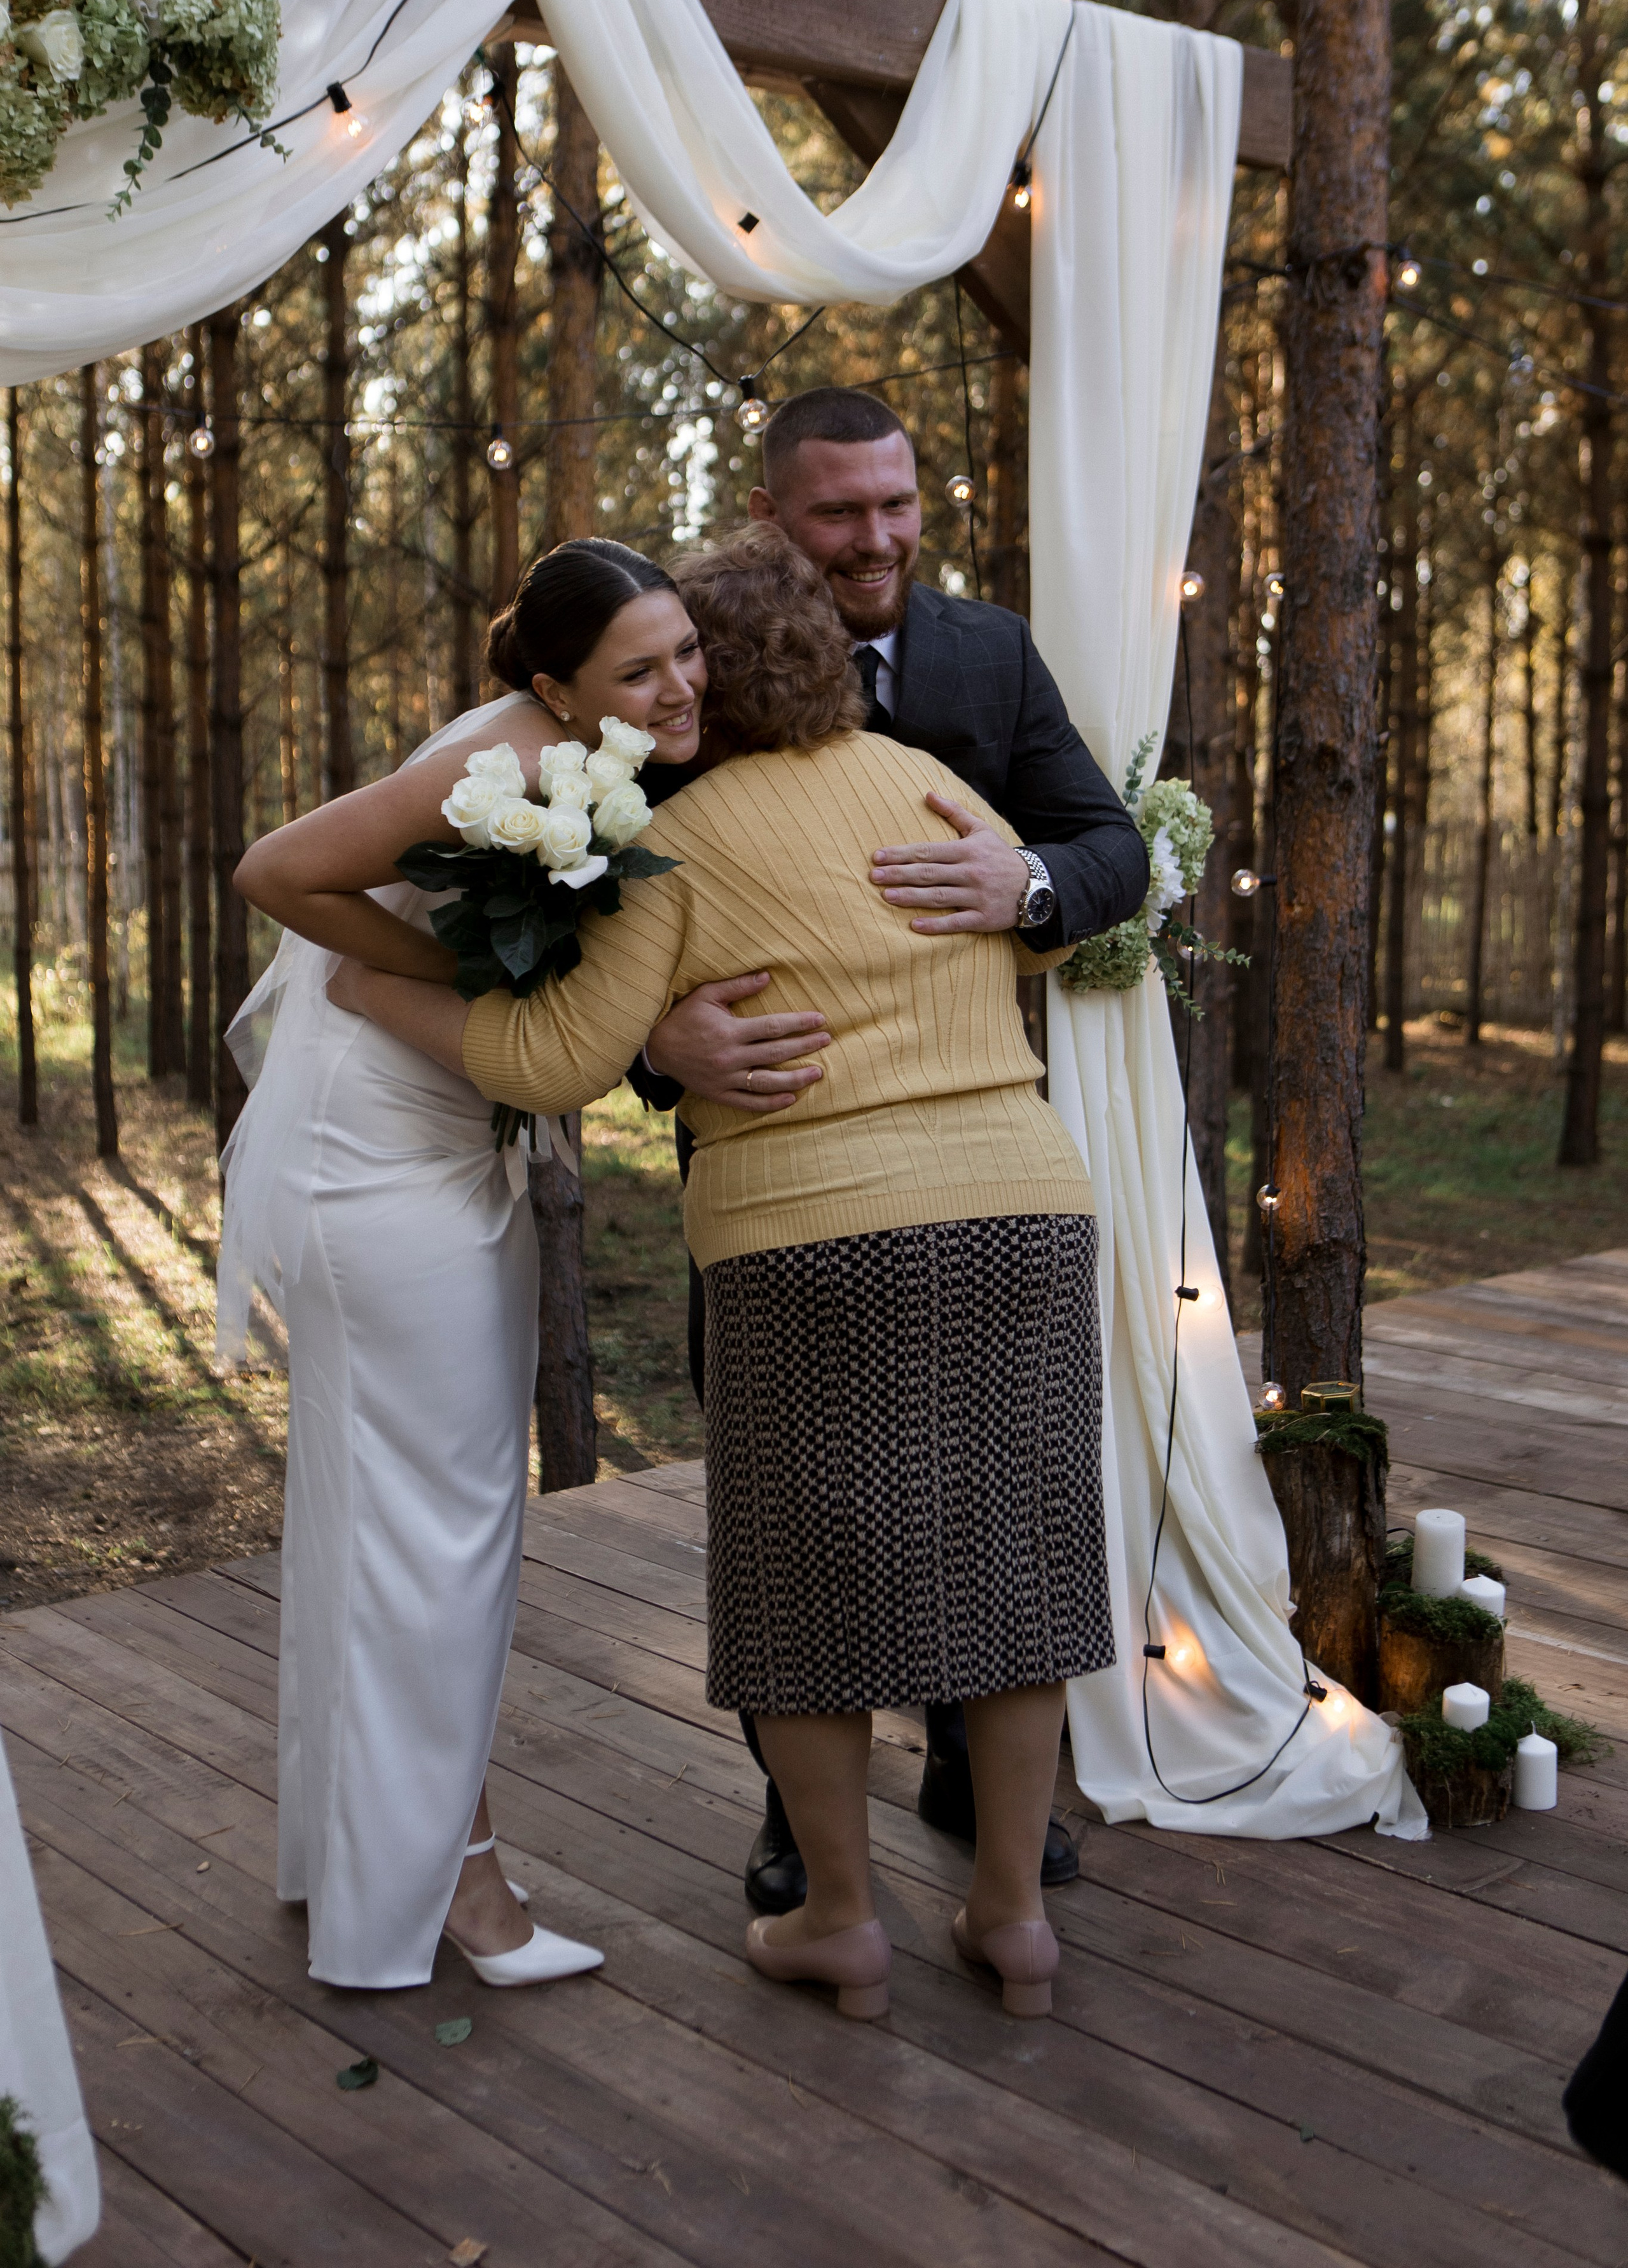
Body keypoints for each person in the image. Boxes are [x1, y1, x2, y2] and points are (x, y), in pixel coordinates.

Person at [328, 524, 1116, 2024]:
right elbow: (1007, 953)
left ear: (712, 683)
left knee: (800, 1592)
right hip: (1021, 1211)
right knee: (1022, 1571)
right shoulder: (940, 796)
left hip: (809, 1243)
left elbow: (557, 1052)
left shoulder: (668, 854)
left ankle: (840, 1921)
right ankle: (1012, 1920)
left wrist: (379, 987)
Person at [633, 388, 1148, 1913]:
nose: (879, 538)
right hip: (775, 1156)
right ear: (772, 516)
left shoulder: (988, 653)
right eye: (842, 513)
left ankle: (972, 1784)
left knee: (994, 1487)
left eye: (898, 504)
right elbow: (618, 905)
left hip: (965, 1139)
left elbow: (1110, 846)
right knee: (799, 1510)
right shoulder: (685, 671)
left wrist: (1028, 883)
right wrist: (662, 1051)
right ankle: (802, 1820)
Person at [223, 540, 707, 1990]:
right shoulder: (501, 757)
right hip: (374, 1168)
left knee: (388, 1526)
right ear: (555, 686)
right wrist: (463, 975)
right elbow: (273, 871)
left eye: (686, 648)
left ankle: (358, 1863)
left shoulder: (594, 754)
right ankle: (456, 1895)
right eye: (641, 666)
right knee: (436, 1535)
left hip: (440, 1148)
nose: (678, 683)